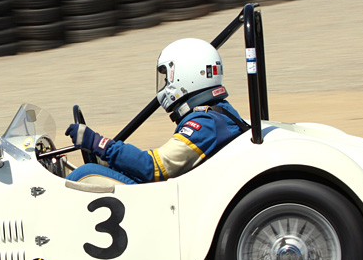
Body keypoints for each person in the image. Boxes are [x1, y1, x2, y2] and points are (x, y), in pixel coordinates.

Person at [65, 38, 248, 185]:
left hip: (178, 202)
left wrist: (100, 144)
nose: (165, 84)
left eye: (166, 76)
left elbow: (154, 167)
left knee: (84, 175)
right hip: (187, 189)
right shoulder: (220, 112)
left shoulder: (204, 124)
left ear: (184, 75)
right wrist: (107, 156)